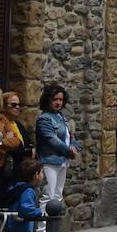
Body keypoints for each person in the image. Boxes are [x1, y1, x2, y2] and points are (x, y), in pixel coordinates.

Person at [35, 84, 80, 217]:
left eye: (60, 100)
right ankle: (42, 231)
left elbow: (71, 136)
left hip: (62, 161)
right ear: (48, 100)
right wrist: (69, 151)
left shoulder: (62, 118)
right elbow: (52, 140)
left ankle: (52, 230)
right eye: (55, 99)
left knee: (57, 195)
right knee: (47, 195)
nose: (58, 102)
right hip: (49, 161)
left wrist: (74, 146)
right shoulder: (44, 119)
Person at [0, 90, 28, 208]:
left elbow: (16, 142)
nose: (17, 107)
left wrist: (0, 142)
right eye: (13, 105)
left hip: (3, 167)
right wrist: (3, 142)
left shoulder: (2, 120)